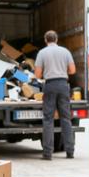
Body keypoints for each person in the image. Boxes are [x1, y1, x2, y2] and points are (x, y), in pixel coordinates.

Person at [34, 30, 76, 160]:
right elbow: (73, 70)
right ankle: (70, 152)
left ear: (46, 40)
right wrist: (63, 70)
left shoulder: (42, 53)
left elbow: (37, 75)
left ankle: (47, 153)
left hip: (50, 85)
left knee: (48, 119)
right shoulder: (65, 52)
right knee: (65, 119)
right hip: (63, 85)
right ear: (56, 39)